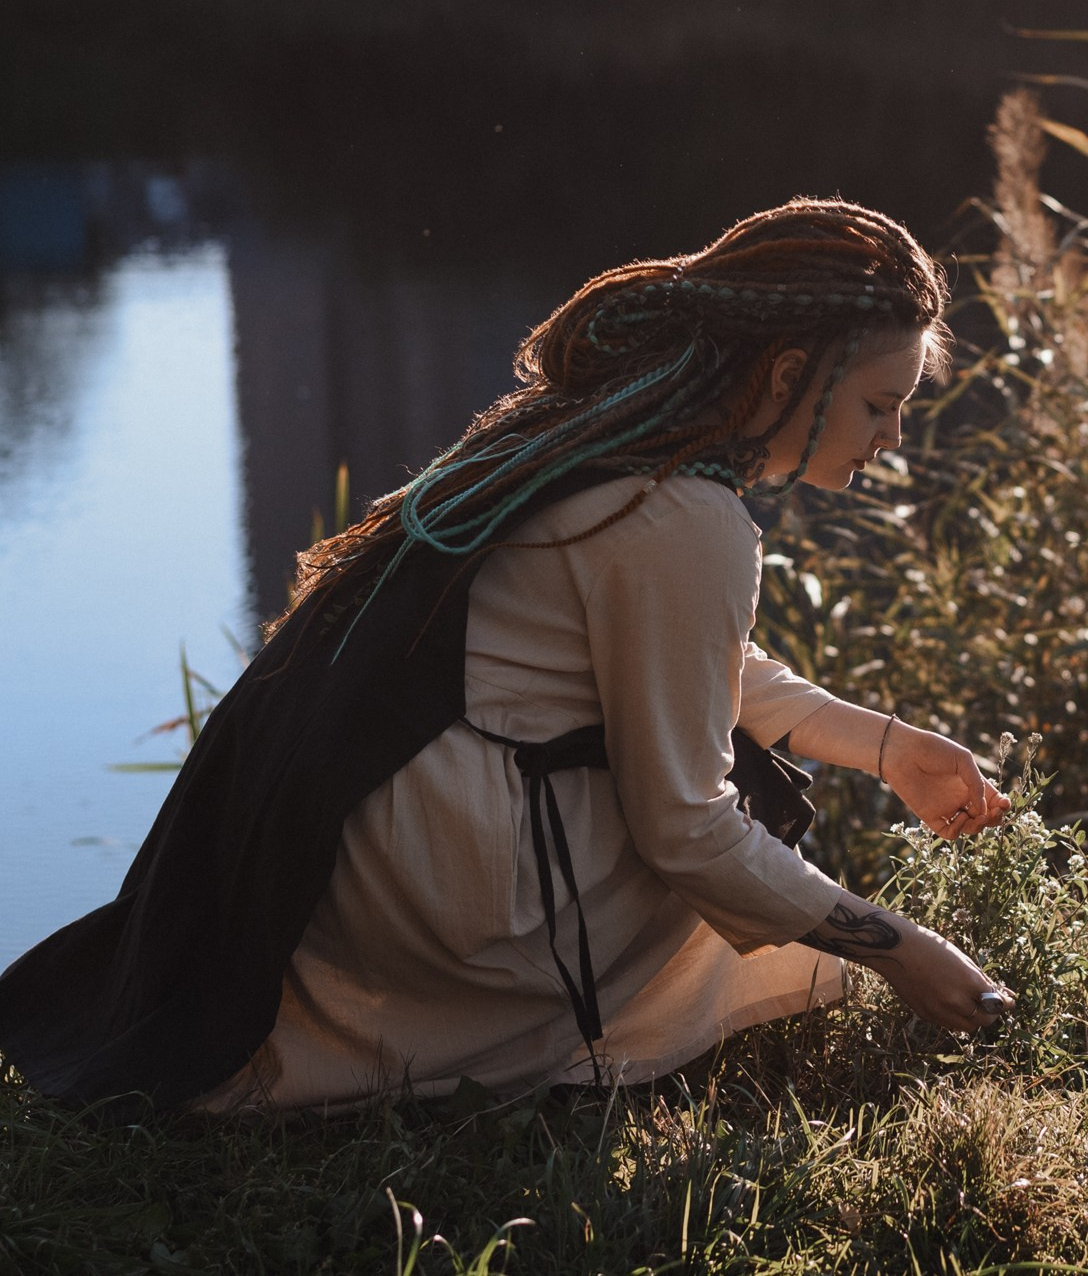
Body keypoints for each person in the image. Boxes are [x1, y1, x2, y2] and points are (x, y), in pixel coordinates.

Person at [0, 199, 1013, 1112]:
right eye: (882, 404)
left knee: (726, 796)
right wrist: (899, 950)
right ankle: (511, 1032)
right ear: (791, 375)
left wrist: (885, 748)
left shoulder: (613, 431)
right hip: (449, 891)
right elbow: (685, 832)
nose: (892, 438)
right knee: (731, 825)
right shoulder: (689, 514)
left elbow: (687, 660)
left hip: (361, 842)